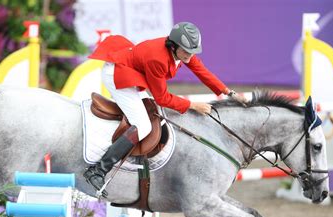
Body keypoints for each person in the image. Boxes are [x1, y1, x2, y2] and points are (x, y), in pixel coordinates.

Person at [84, 22, 247, 196]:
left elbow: (202, 72)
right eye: (186, 51)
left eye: (192, 52)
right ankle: (99, 170)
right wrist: (192, 105)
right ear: (174, 46)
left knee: (151, 112)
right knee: (143, 125)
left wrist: (229, 93)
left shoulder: (181, 52)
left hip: (131, 72)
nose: (189, 55)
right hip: (117, 74)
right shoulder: (158, 59)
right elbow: (162, 98)